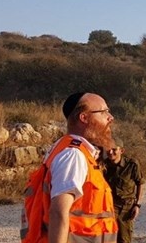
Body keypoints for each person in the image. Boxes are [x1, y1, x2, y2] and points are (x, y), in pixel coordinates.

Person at [47, 92, 118, 243]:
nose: (110, 117)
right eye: (104, 112)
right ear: (84, 117)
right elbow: (58, 213)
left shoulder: (75, 151)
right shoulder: (74, 155)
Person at [104, 140, 144, 243]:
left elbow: (139, 183)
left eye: (114, 149)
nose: (110, 152)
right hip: (107, 208)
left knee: (124, 239)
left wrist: (137, 205)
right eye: (108, 149)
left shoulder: (132, 165)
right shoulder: (102, 166)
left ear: (121, 150)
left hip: (125, 209)